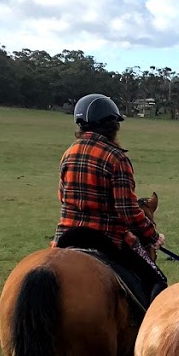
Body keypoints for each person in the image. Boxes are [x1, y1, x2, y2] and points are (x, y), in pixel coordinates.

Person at [52, 93, 167, 304]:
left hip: (65, 237)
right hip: (106, 239)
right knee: (157, 281)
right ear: (113, 126)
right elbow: (127, 210)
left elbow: (63, 196)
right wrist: (152, 236)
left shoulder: (68, 153)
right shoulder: (116, 157)